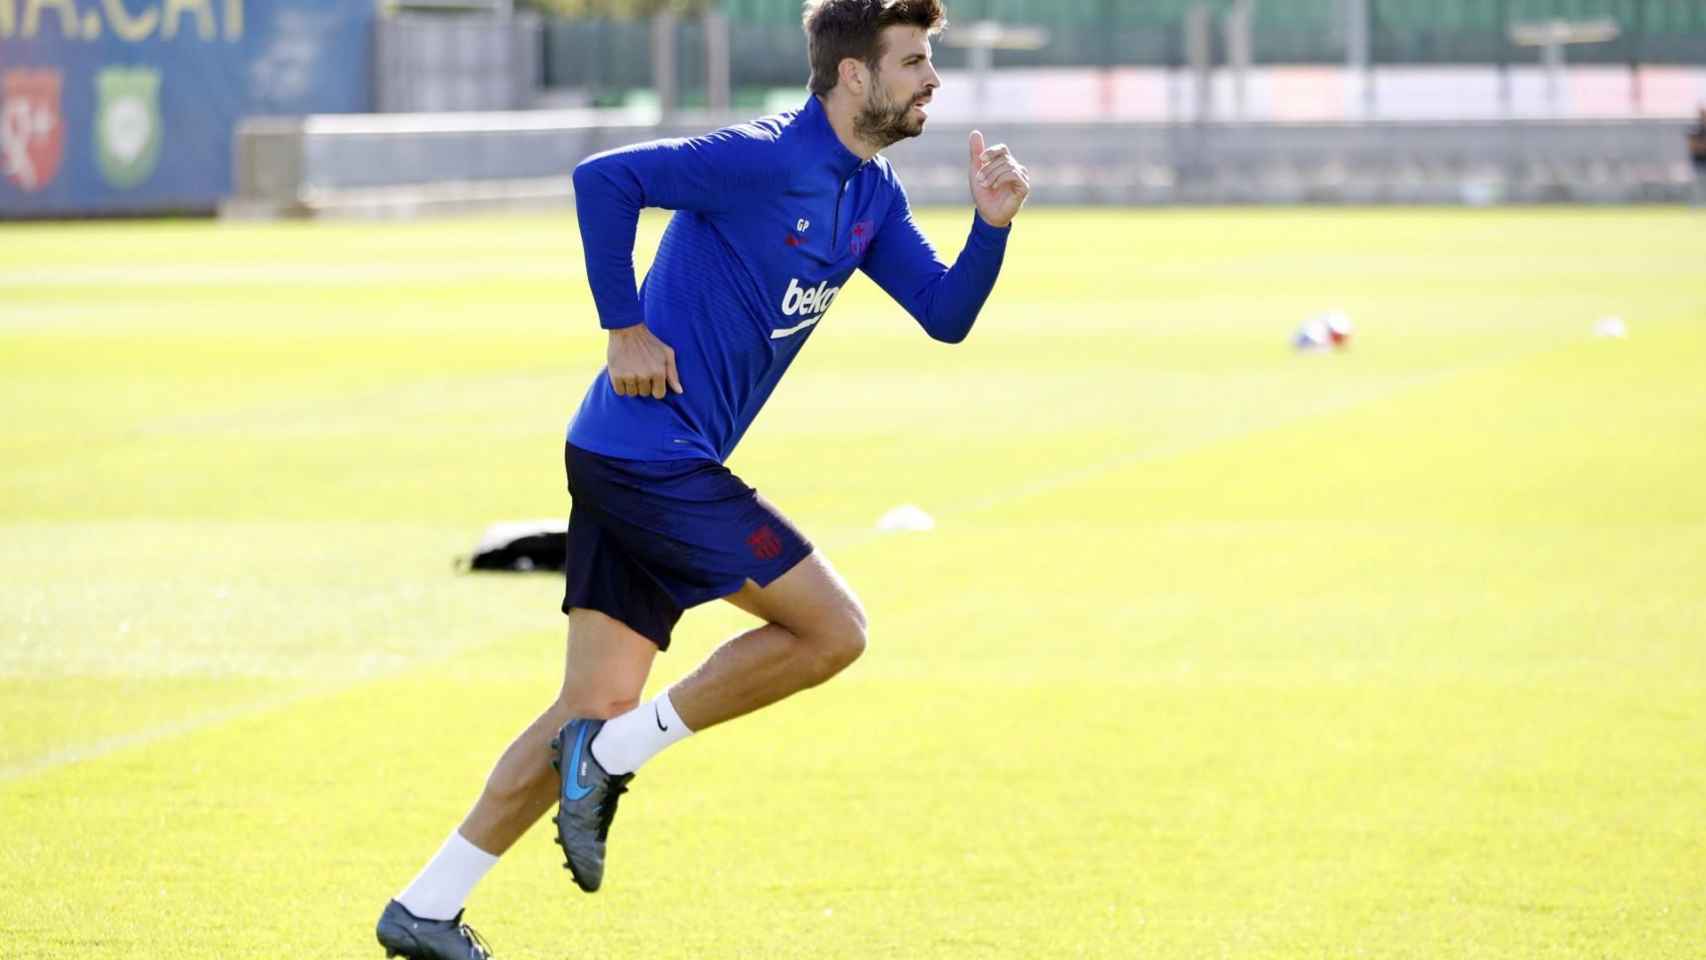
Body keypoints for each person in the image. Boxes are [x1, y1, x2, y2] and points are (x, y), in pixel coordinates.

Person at [374, 1, 1030, 957]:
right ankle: (612, 757)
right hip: (649, 460)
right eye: (915, 61)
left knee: (582, 711)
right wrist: (623, 323)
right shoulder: (766, 155)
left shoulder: (873, 194)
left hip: (632, 460)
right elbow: (606, 180)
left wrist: (991, 228)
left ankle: (426, 908)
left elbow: (944, 313)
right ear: (856, 76)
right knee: (833, 630)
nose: (933, 79)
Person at [1689, 106, 1706, 205]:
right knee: (1698, 187)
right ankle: (1698, 206)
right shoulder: (1695, 129)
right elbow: (1693, 146)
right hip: (1698, 164)